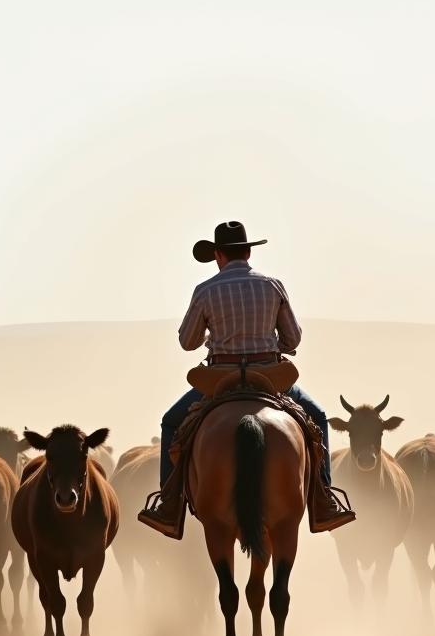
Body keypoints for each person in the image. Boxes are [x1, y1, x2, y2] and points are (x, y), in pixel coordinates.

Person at [138, 220, 355, 537]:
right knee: (317, 416)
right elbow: (293, 339)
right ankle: (324, 499)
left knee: (171, 422)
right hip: (269, 374)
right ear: (249, 252)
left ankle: (169, 505)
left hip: (218, 376)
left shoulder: (205, 290)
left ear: (218, 255)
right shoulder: (272, 286)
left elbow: (188, 341)